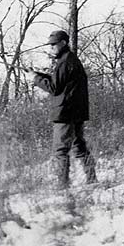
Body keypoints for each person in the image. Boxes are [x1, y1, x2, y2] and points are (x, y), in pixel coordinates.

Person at [28, 30, 97, 189]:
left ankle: (62, 186)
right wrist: (37, 74)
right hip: (76, 113)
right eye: (50, 45)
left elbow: (53, 87)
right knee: (79, 147)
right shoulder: (70, 60)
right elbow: (59, 81)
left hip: (65, 114)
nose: (51, 48)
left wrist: (35, 78)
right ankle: (92, 180)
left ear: (63, 43)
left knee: (60, 151)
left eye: (54, 44)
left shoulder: (64, 62)